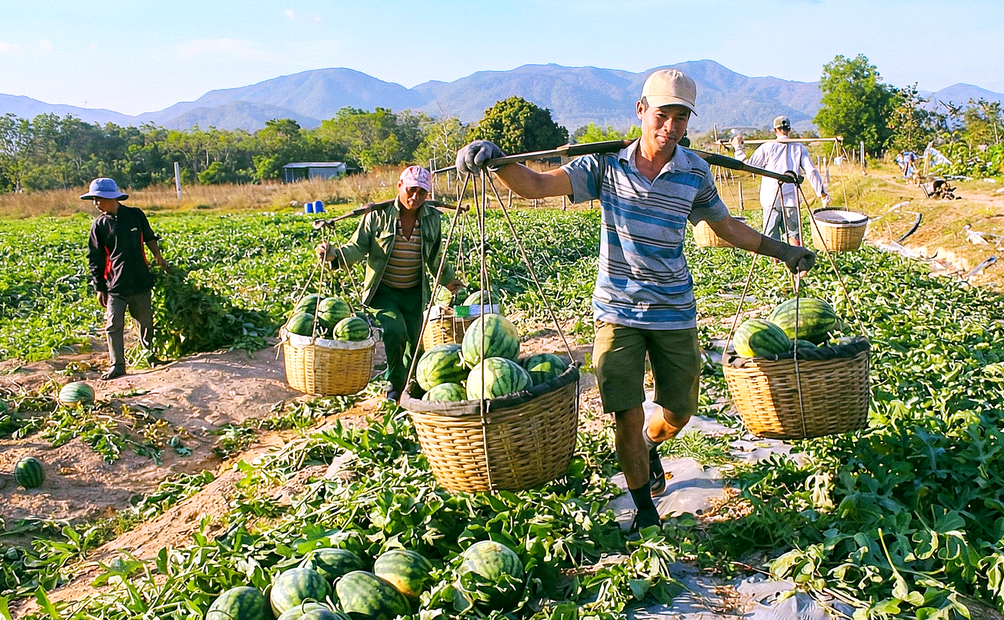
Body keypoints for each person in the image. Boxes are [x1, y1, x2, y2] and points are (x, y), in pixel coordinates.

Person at [455, 69, 815, 535]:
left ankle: (652, 443)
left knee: (679, 412)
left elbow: (725, 227)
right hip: (617, 311)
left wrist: (783, 250)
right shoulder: (605, 166)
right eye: (662, 115)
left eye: (680, 119)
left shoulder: (694, 172)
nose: (669, 128)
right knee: (624, 409)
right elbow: (539, 185)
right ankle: (644, 508)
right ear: (642, 111)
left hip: (673, 308)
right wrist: (500, 163)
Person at [316, 166, 463, 400]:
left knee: (415, 343)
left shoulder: (432, 218)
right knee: (395, 331)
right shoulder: (377, 215)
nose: (415, 198)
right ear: (399, 187)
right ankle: (394, 385)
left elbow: (435, 255)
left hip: (414, 291)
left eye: (422, 193)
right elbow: (357, 247)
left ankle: (412, 383)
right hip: (383, 291)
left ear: (428, 194)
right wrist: (333, 254)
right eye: (410, 190)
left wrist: (447, 280)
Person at [84, 177, 170, 380]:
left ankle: (150, 356)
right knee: (114, 325)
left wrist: (160, 260)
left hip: (140, 280)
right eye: (94, 200)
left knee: (146, 322)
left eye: (98, 199)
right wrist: (99, 287)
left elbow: (149, 237)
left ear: (111, 198)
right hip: (116, 285)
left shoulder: (134, 215)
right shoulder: (100, 225)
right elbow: (95, 258)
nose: (96, 204)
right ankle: (118, 366)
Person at [743, 116, 831, 245]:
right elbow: (811, 171)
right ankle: (796, 262)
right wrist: (822, 193)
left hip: (771, 198)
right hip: (791, 199)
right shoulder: (798, 147)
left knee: (771, 238)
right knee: (793, 235)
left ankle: (776, 264)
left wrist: (738, 149)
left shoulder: (767, 147)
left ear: (775, 130)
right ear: (789, 129)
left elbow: (749, 166)